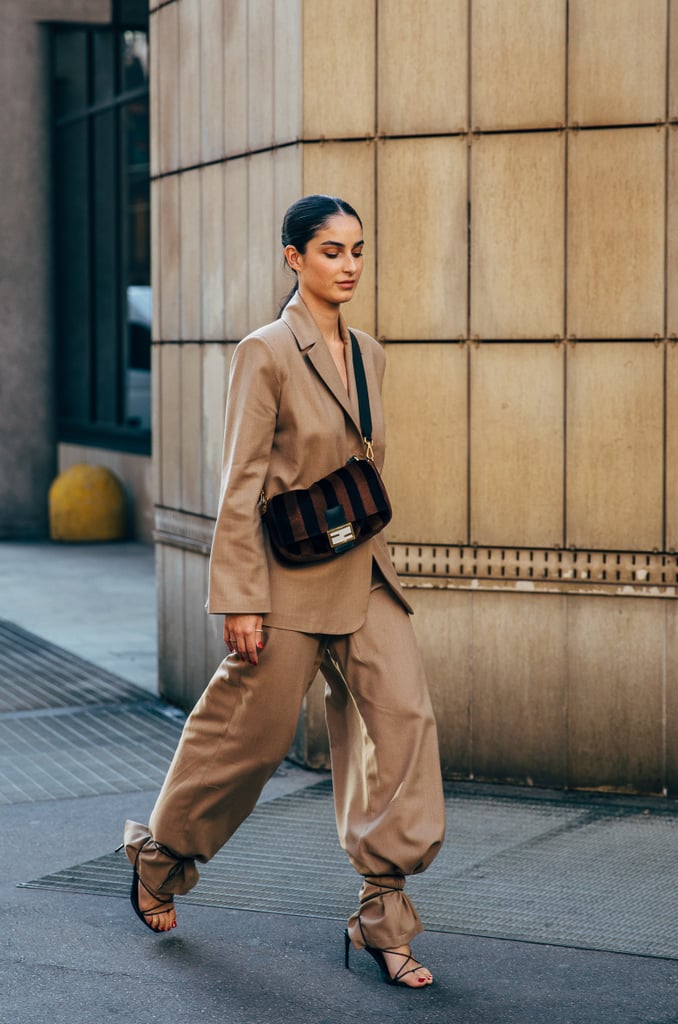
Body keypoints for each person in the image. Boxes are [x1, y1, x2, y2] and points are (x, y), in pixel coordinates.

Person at [123, 194, 445, 988]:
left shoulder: (368, 351)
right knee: (250, 739)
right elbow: (240, 484)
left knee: (403, 727)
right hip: (285, 579)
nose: (350, 266)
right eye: (332, 251)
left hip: (363, 571)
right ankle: (161, 857)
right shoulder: (264, 351)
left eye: (358, 251)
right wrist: (239, 596)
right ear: (293, 258)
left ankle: (381, 917)